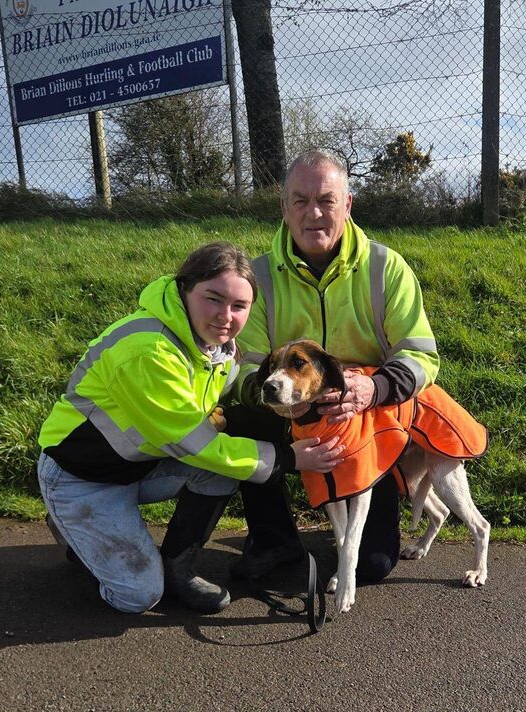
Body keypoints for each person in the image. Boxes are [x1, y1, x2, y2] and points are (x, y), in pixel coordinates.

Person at [37, 242, 343, 615]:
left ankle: (176, 567)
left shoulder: (217, 346)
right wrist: (287, 458)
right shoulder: (148, 351)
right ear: (184, 289)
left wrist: (301, 399)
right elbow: (196, 445)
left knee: (223, 472)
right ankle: (73, 533)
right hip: (81, 477)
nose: (225, 317)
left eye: (239, 306)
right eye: (213, 299)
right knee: (139, 596)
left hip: (141, 463)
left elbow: (226, 392)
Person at [224, 149, 440, 584]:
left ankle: (353, 531)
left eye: (326, 199)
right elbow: (242, 368)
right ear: (284, 209)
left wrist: (372, 391)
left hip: (366, 417)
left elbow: (420, 354)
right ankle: (273, 539)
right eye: (300, 201)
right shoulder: (257, 277)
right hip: (285, 411)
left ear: (348, 204)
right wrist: (295, 412)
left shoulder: (386, 267)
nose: (314, 213)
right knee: (242, 418)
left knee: (375, 566)